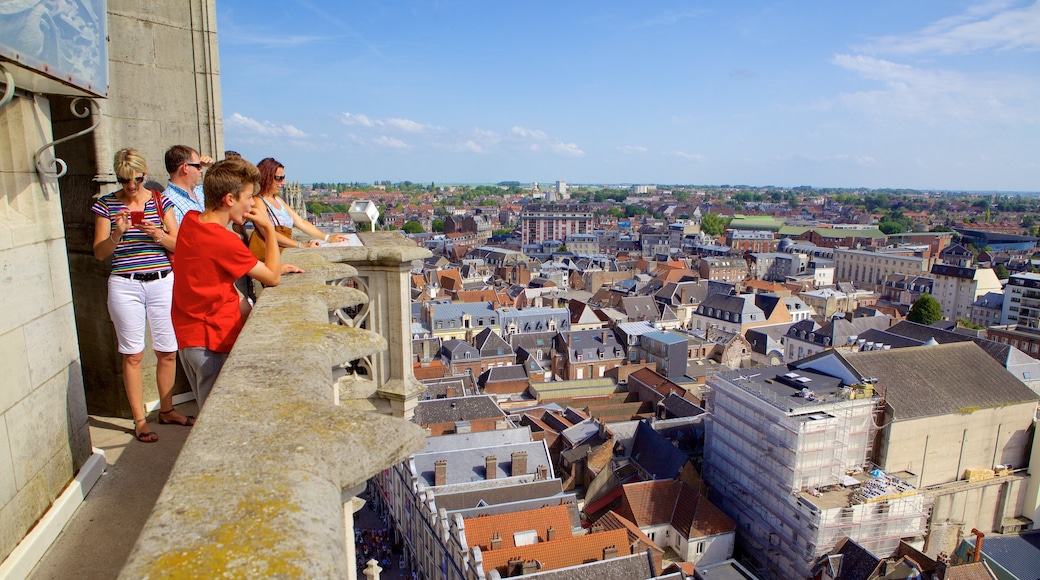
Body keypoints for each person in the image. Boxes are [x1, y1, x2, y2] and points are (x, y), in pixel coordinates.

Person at [92, 148, 194, 443]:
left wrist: (158, 235)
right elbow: (99, 253)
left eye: (136, 179)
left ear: (145, 175)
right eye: (125, 180)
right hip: (126, 284)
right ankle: (139, 421)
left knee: (167, 350)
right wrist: (117, 234)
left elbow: (181, 245)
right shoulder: (106, 205)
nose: (131, 186)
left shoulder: (161, 201)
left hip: (162, 280)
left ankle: (167, 410)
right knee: (133, 354)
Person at [172, 157, 283, 408]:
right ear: (229, 199)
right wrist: (267, 228)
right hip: (213, 339)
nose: (252, 204)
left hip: (189, 337)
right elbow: (273, 277)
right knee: (217, 417)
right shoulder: (224, 240)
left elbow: (211, 265)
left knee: (206, 412)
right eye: (248, 197)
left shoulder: (191, 220)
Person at [255, 157, 348, 248]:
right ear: (266, 177)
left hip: (283, 248)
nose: (283, 182)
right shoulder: (258, 201)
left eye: (283, 178)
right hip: (271, 253)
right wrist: (301, 245)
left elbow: (300, 222)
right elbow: (267, 233)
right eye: (279, 178)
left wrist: (328, 238)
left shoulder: (277, 199)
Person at [162, 145, 214, 225]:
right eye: (198, 166)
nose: (202, 170)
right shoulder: (169, 203)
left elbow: (231, 186)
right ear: (185, 167)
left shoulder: (200, 190)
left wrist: (212, 167)